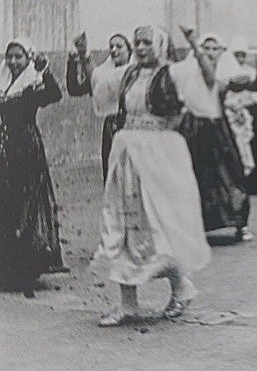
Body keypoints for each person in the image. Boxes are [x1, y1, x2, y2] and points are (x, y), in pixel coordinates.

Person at [92, 25, 211, 326]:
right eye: (137, 42)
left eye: (147, 42)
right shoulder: (129, 74)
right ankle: (128, 302)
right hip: (127, 153)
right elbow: (99, 88)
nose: (141, 47)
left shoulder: (172, 74)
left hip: (159, 156)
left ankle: (181, 287)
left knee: (158, 225)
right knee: (121, 223)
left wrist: (194, 42)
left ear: (159, 44)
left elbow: (207, 81)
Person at [0, 38, 66, 297]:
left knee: (23, 205)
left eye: (19, 57)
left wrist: (44, 70)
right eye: (10, 56)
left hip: (25, 149)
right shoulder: (2, 80)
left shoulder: (32, 82)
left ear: (28, 58)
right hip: (2, 148)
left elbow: (54, 94)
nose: (14, 62)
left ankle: (23, 269)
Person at [173, 31, 253, 241]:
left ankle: (239, 222)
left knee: (230, 172)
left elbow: (243, 80)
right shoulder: (191, 71)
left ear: (221, 51)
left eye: (214, 48)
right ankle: (197, 225)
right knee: (197, 176)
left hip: (219, 128)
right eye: (205, 48)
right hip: (194, 128)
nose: (210, 52)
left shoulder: (224, 72)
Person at [66, 31, 133, 181]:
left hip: (133, 127)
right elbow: (75, 89)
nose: (114, 50)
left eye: (119, 46)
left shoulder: (136, 72)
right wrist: (75, 60)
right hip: (111, 129)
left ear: (129, 50)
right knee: (112, 174)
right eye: (111, 46)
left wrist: (86, 59)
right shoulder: (103, 74)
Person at [219, 35, 257, 194]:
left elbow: (254, 86)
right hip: (234, 112)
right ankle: (241, 181)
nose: (240, 58)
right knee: (238, 147)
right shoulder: (226, 70)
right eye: (236, 55)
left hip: (250, 111)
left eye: (242, 55)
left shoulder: (249, 71)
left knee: (256, 146)